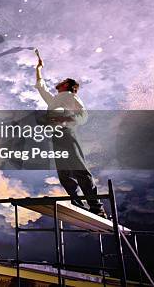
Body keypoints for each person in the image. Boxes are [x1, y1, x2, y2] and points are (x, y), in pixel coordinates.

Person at [35, 56, 107, 218]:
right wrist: (39, 69)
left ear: (67, 85)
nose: (59, 82)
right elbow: (41, 87)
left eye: (63, 81)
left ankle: (97, 207)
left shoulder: (70, 96)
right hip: (56, 136)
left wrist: (68, 119)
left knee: (79, 170)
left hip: (68, 133)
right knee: (64, 175)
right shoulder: (54, 100)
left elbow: (83, 114)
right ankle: (79, 206)